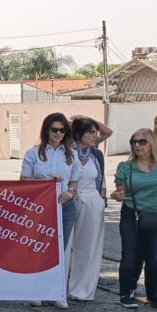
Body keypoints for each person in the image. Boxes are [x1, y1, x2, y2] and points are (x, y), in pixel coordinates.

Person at [21, 112, 78, 309]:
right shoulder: (33, 153)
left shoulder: (71, 154)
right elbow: (24, 181)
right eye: (54, 129)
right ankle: (35, 291)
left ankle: (55, 292)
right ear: (47, 130)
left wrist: (70, 192)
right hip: (40, 207)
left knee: (59, 251)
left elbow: (74, 182)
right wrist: (44, 182)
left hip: (65, 206)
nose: (58, 133)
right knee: (39, 248)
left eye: (62, 130)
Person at [111, 128, 157, 309]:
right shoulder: (126, 167)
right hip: (132, 214)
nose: (137, 145)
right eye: (133, 142)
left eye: (141, 142)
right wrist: (118, 195)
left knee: (154, 259)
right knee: (131, 257)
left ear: (151, 143)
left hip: (155, 216)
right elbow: (121, 191)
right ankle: (127, 292)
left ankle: (153, 293)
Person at [67, 117, 107, 301]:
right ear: (79, 134)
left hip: (92, 198)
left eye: (94, 132)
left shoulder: (95, 154)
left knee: (88, 247)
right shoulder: (66, 151)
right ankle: (57, 288)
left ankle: (82, 290)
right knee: (66, 245)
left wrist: (102, 200)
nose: (94, 135)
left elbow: (102, 179)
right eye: (90, 132)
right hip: (69, 197)